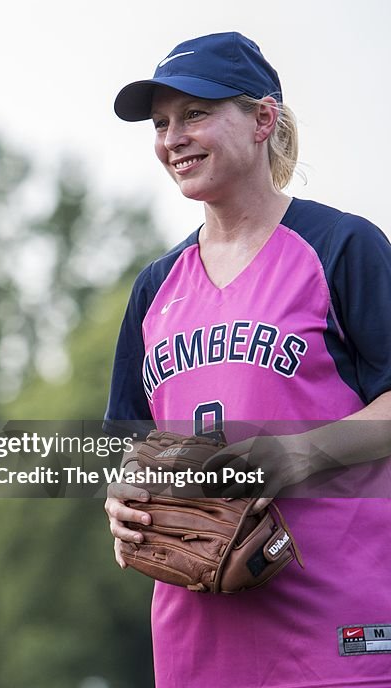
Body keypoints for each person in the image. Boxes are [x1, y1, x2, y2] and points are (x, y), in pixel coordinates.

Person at [102, 32, 391, 687]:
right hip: (195, 640)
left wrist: (292, 456)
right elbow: (127, 442)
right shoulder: (155, 287)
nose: (172, 137)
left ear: (264, 119)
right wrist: (123, 501)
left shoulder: (342, 247)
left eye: (196, 113)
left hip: (334, 632)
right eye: (160, 123)